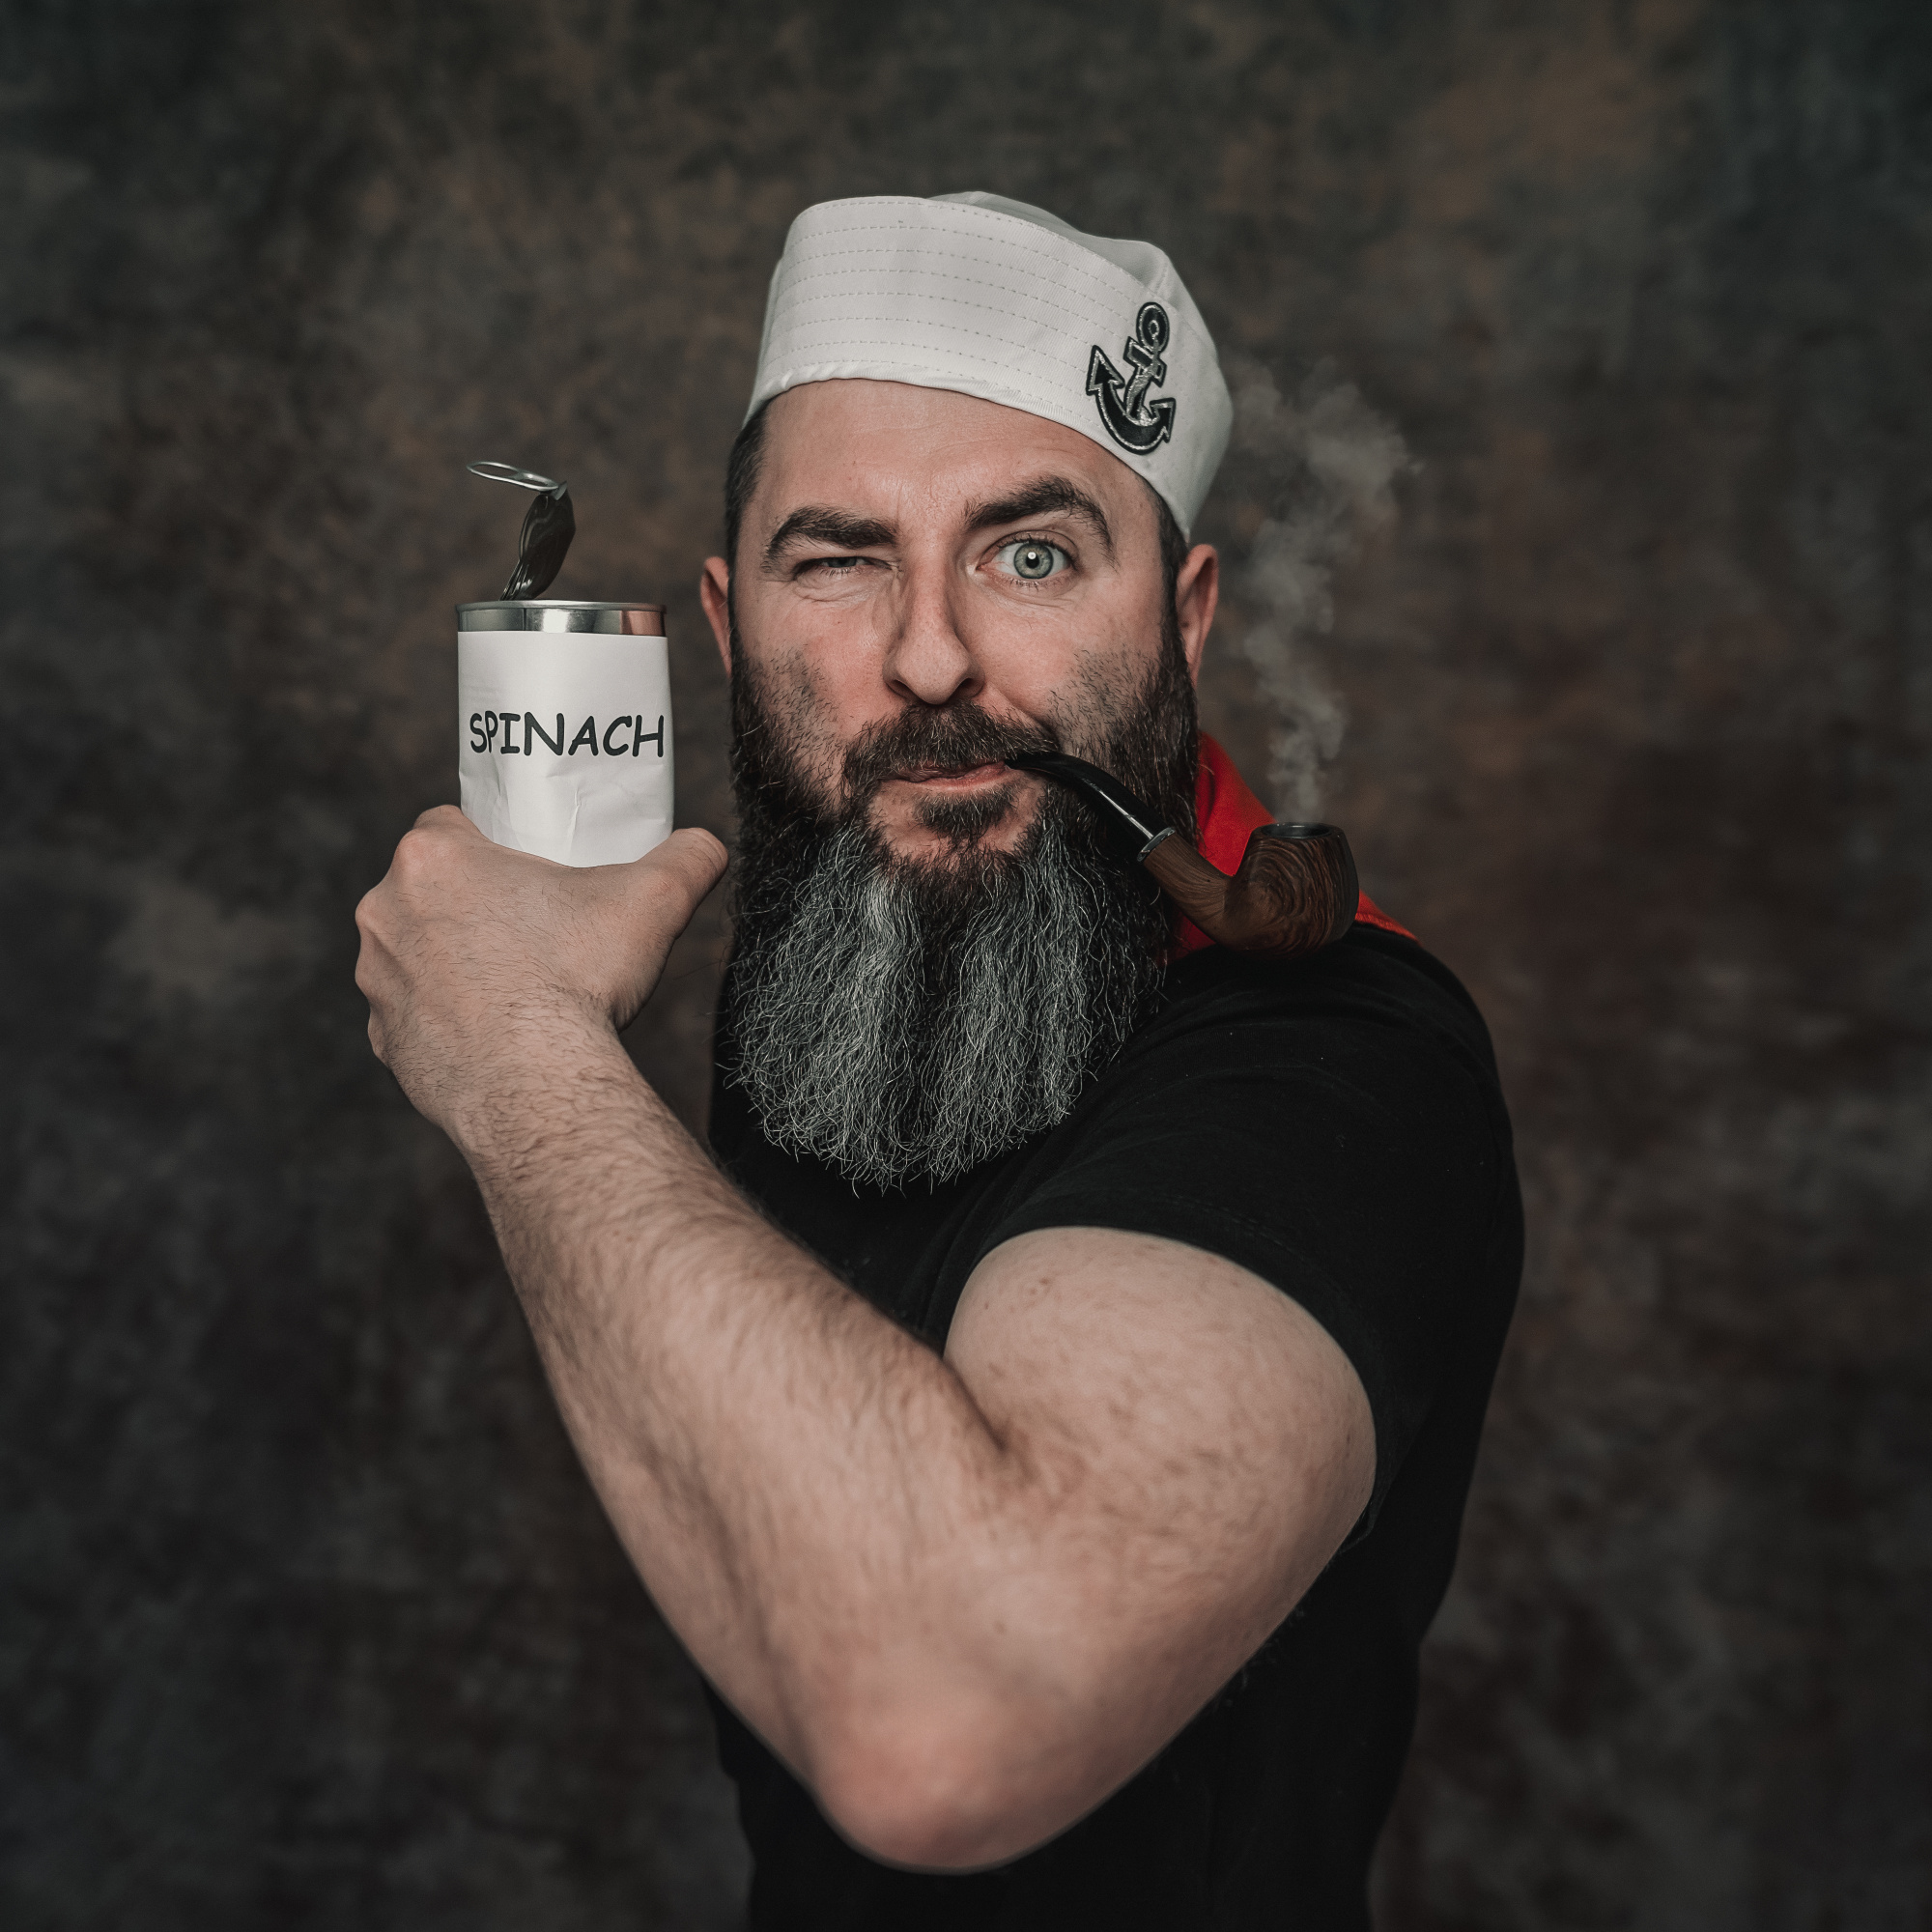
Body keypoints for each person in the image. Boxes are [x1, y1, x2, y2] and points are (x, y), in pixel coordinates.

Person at [355, 192, 1522, 1929]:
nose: (927, 659)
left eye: (1030, 556)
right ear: (732, 625)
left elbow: (945, 1728)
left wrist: (519, 1055)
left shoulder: (1343, 1067)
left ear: (1183, 619)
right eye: (838, 562)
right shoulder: (854, 956)